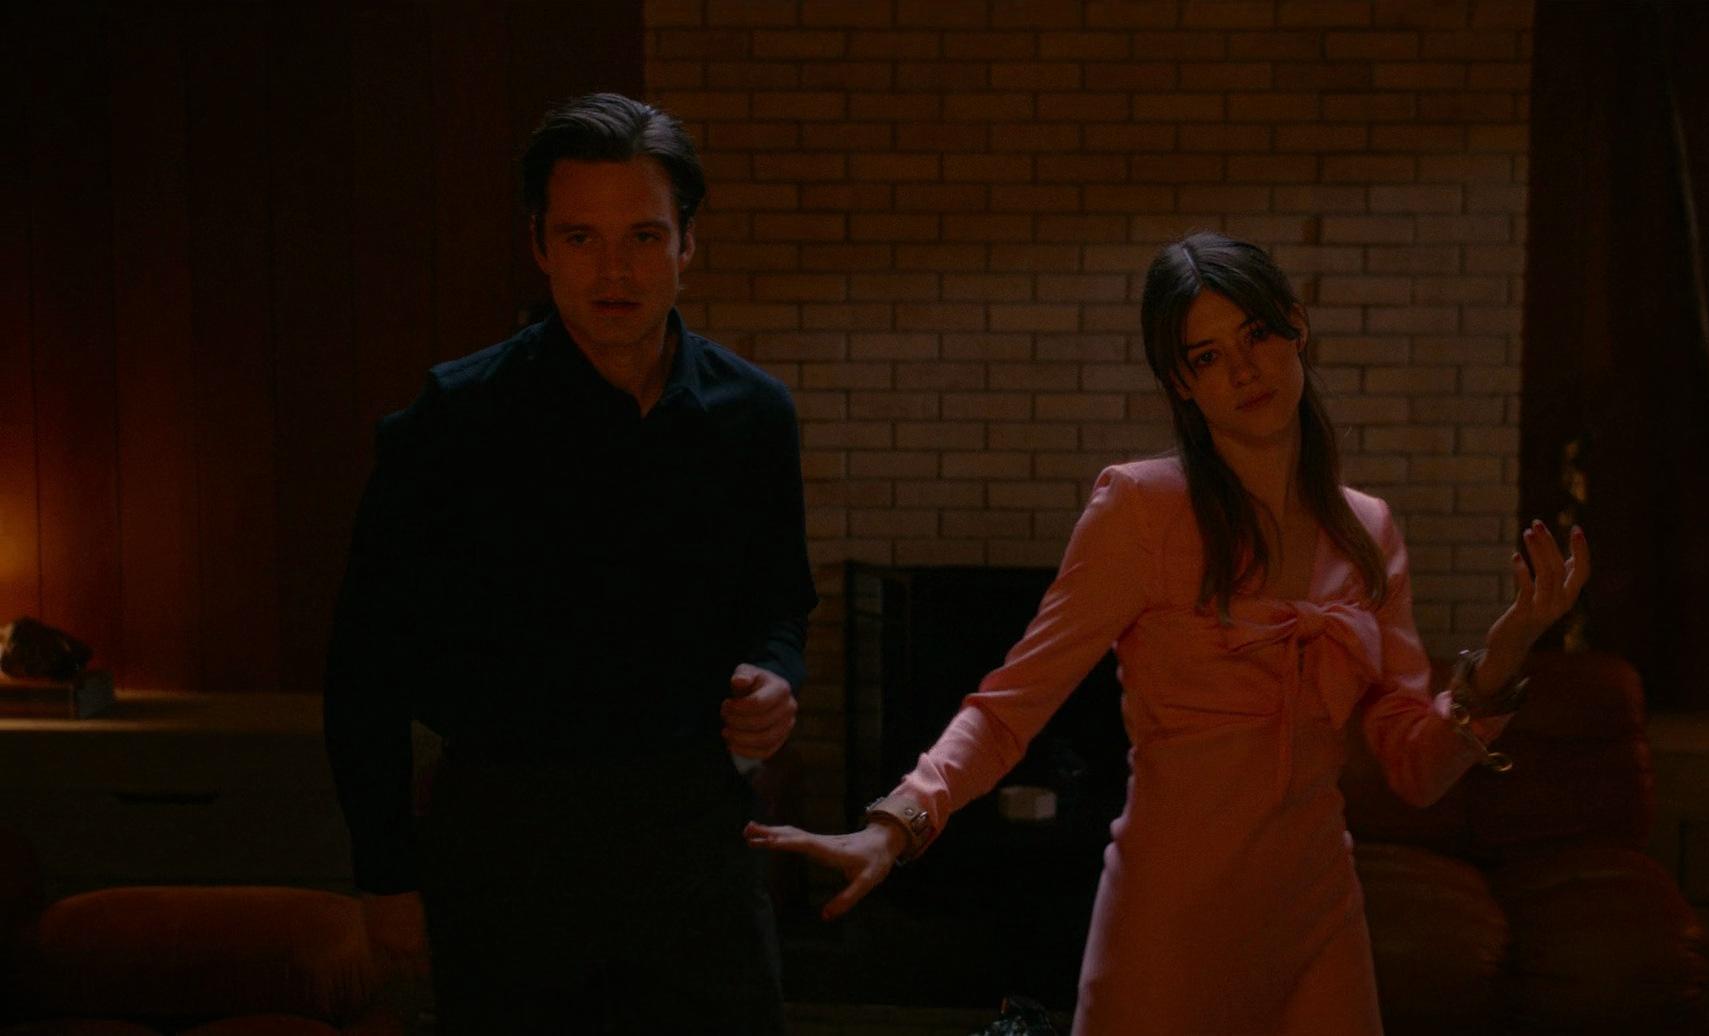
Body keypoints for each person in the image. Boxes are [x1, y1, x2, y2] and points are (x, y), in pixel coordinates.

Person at [746, 232, 1590, 1035]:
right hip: (1172, 920)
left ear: (1298, 328)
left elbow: (1418, 769)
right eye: (1207, 356)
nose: (1244, 369)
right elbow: (1011, 703)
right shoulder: (1141, 510)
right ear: (1182, 385)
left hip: (1317, 919)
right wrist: (896, 824)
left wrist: (1508, 650)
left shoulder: (1367, 531)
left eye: (1256, 334)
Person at [324, 93, 816, 1034]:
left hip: (693, 842)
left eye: (643, 236)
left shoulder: (754, 416)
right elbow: (363, 671)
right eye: (581, 238)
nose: (613, 270)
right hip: (511, 847)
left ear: (687, 244)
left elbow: (781, 604)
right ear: (541, 246)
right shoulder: (455, 421)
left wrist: (775, 676)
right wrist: (384, 876)